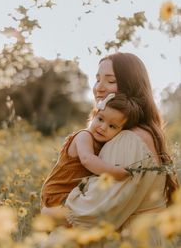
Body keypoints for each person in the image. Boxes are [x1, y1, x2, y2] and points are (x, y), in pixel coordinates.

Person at [41, 52, 179, 237]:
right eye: (97, 79)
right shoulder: (135, 134)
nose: (99, 87)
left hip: (132, 246)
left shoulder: (129, 140)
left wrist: (48, 214)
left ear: (131, 86)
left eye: (110, 81)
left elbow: (94, 213)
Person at [41, 92, 142, 208]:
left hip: (72, 194)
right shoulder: (84, 136)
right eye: (100, 119)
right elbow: (87, 160)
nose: (103, 127)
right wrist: (115, 172)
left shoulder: (104, 144)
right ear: (94, 115)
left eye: (112, 126)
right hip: (57, 193)